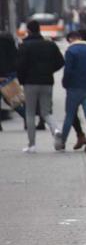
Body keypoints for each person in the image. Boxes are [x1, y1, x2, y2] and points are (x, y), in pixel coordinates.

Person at [16, 21, 64, 151]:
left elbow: (20, 66)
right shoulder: (50, 44)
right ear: (39, 29)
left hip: (30, 83)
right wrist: (49, 70)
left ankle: (32, 145)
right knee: (46, 112)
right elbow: (61, 62)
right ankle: (56, 129)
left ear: (28, 31)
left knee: (30, 113)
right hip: (47, 82)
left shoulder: (24, 46)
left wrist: (22, 80)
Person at [56, 29, 86, 152]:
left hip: (74, 88)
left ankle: (62, 141)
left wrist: (65, 83)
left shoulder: (71, 51)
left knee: (69, 115)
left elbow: (68, 70)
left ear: (71, 39)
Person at [0, 31, 25, 130]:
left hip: (2, 73)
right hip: (10, 72)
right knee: (12, 99)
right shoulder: (10, 41)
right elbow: (16, 56)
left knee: (8, 99)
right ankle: (27, 118)